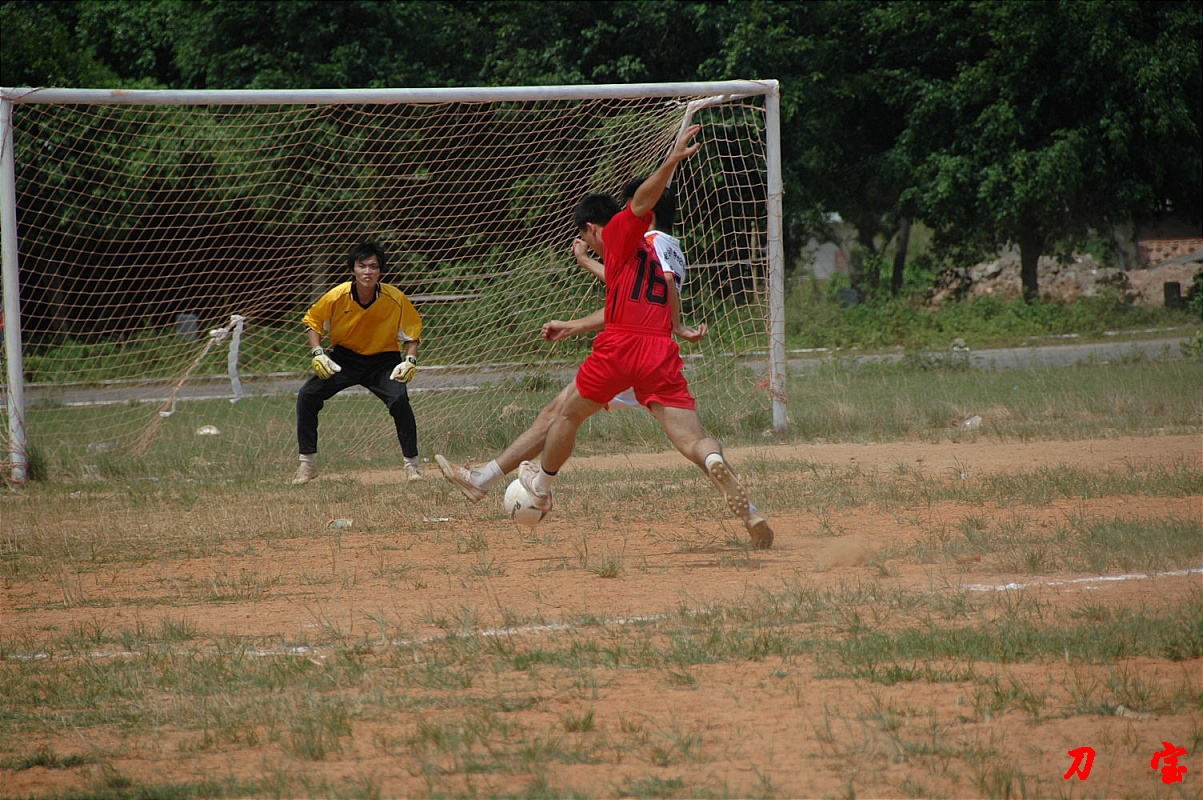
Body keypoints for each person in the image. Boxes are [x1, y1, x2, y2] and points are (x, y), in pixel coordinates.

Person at [447, 128, 772, 548]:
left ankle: (537, 489)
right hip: (659, 350)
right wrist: (672, 324)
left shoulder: (626, 231)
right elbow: (644, 291)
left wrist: (671, 160)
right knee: (694, 441)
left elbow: (637, 214)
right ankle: (744, 503)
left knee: (563, 415)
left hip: (621, 348)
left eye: (586, 234)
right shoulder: (669, 250)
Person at [434, 179, 690, 498]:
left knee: (562, 413)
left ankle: (528, 485)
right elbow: (630, 298)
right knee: (557, 411)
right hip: (651, 350)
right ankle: (485, 479)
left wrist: (584, 264)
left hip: (634, 352)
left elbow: (634, 292)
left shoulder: (648, 241)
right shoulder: (672, 247)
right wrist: (574, 323)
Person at [292, 241, 425, 484]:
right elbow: (313, 322)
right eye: (362, 266)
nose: (367, 272)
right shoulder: (337, 295)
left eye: (373, 266)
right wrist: (318, 352)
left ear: (381, 270)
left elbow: (412, 332)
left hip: (383, 361)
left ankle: (412, 466)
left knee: (399, 401)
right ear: (352, 269)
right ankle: (307, 465)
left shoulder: (395, 297)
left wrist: (410, 359)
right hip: (345, 359)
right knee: (307, 395)